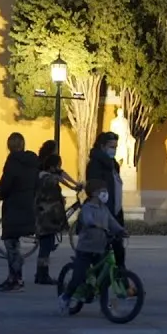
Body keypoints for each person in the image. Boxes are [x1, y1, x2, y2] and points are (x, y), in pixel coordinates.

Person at [58, 179, 127, 314]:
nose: (105, 194)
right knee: (78, 276)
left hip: (100, 248)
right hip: (86, 249)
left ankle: (104, 304)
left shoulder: (104, 208)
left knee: (102, 277)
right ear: (95, 193)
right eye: (103, 191)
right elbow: (88, 219)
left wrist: (121, 230)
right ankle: (65, 297)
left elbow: (112, 222)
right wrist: (95, 224)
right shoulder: (87, 207)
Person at [0, 131, 40, 292]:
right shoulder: (33, 162)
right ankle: (15, 278)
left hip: (13, 206)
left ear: (9, 147)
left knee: (11, 243)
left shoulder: (12, 162)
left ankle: (15, 279)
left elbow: (6, 182)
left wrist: (0, 193)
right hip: (27, 205)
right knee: (14, 243)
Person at [85, 132, 126, 270]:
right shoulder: (95, 164)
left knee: (118, 249)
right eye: (111, 146)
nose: (113, 150)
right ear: (102, 146)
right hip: (103, 211)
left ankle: (123, 281)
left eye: (115, 147)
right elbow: (93, 188)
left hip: (115, 210)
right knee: (103, 252)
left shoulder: (113, 165)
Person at [33, 153, 69, 285]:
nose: (60, 168)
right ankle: (43, 275)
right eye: (58, 165)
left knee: (45, 248)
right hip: (47, 220)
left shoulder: (43, 177)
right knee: (45, 249)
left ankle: (41, 273)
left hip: (44, 218)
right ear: (52, 166)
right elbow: (53, 196)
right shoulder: (47, 179)